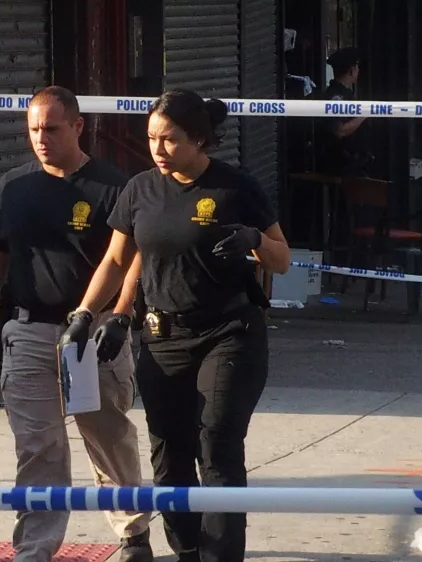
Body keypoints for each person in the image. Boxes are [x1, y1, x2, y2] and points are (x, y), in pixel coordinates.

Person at [61, 88, 291, 562]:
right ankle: (187, 551)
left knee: (218, 446)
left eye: (170, 140)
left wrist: (254, 241)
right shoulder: (140, 189)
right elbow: (117, 259)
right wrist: (89, 314)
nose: (158, 150)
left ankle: (221, 557)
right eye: (151, 139)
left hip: (229, 333)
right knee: (169, 459)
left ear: (200, 140)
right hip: (163, 337)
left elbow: (282, 259)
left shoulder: (235, 187)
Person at [0, 85, 153, 562]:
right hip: (30, 334)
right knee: (39, 449)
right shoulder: (12, 187)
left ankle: (133, 533)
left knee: (108, 438)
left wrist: (121, 315)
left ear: (78, 126)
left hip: (93, 336)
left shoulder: (113, 187)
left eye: (51, 129)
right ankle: (34, 550)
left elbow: (131, 259)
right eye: (33, 129)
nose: (41, 138)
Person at [318, 47, 372, 176]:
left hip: (354, 164)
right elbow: (339, 130)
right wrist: (364, 115)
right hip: (342, 167)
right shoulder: (336, 97)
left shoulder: (345, 94)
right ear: (352, 71)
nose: (358, 71)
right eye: (357, 67)